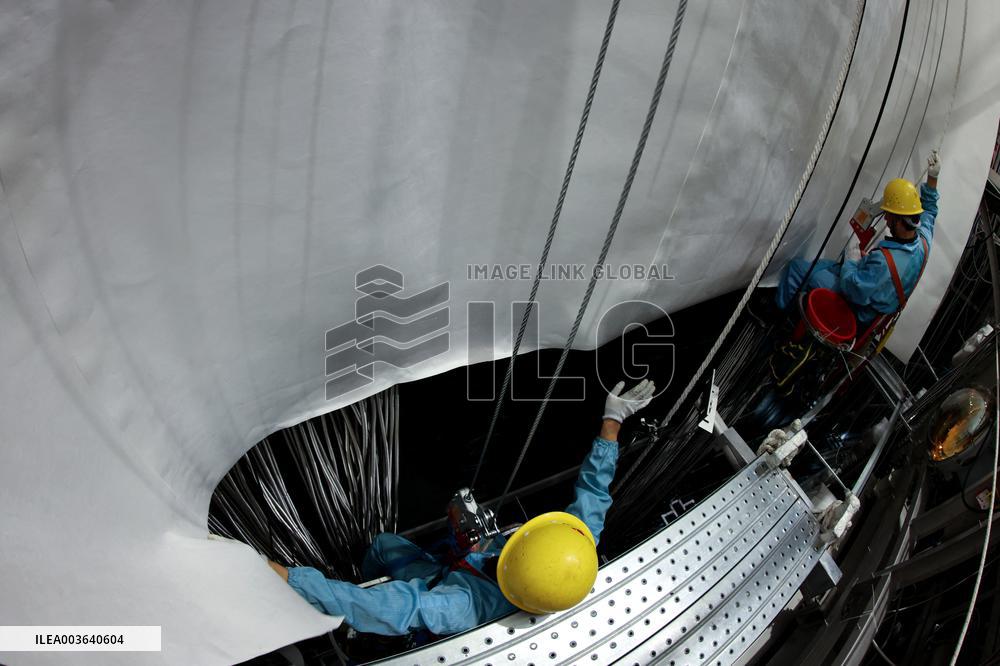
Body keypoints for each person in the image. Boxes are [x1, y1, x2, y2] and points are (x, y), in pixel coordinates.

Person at [265, 379, 657, 636]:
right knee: (385, 545)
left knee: (382, 552)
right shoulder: (570, 549)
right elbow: (593, 491)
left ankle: (341, 608)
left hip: (440, 578)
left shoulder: (462, 606)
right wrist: (611, 423)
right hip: (459, 562)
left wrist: (295, 580)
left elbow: (395, 606)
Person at [775, 151, 941, 326]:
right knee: (824, 266)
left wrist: (852, 261)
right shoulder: (923, 241)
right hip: (873, 288)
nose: (885, 219)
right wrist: (933, 178)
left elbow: (853, 289)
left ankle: (778, 320)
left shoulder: (884, 263)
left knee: (800, 271)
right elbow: (929, 210)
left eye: (888, 215)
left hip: (857, 309)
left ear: (899, 220)